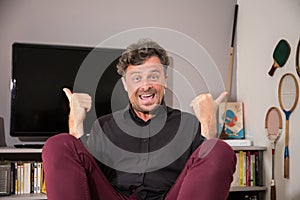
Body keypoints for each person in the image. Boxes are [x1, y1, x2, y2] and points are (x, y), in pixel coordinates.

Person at [42, 39, 236, 200]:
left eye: (153, 76)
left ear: (165, 80)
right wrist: (75, 120)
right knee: (57, 144)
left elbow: (207, 169)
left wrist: (207, 120)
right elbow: (80, 173)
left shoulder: (188, 125)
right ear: (125, 85)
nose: (146, 86)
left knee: (219, 149)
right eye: (136, 78)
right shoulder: (104, 126)